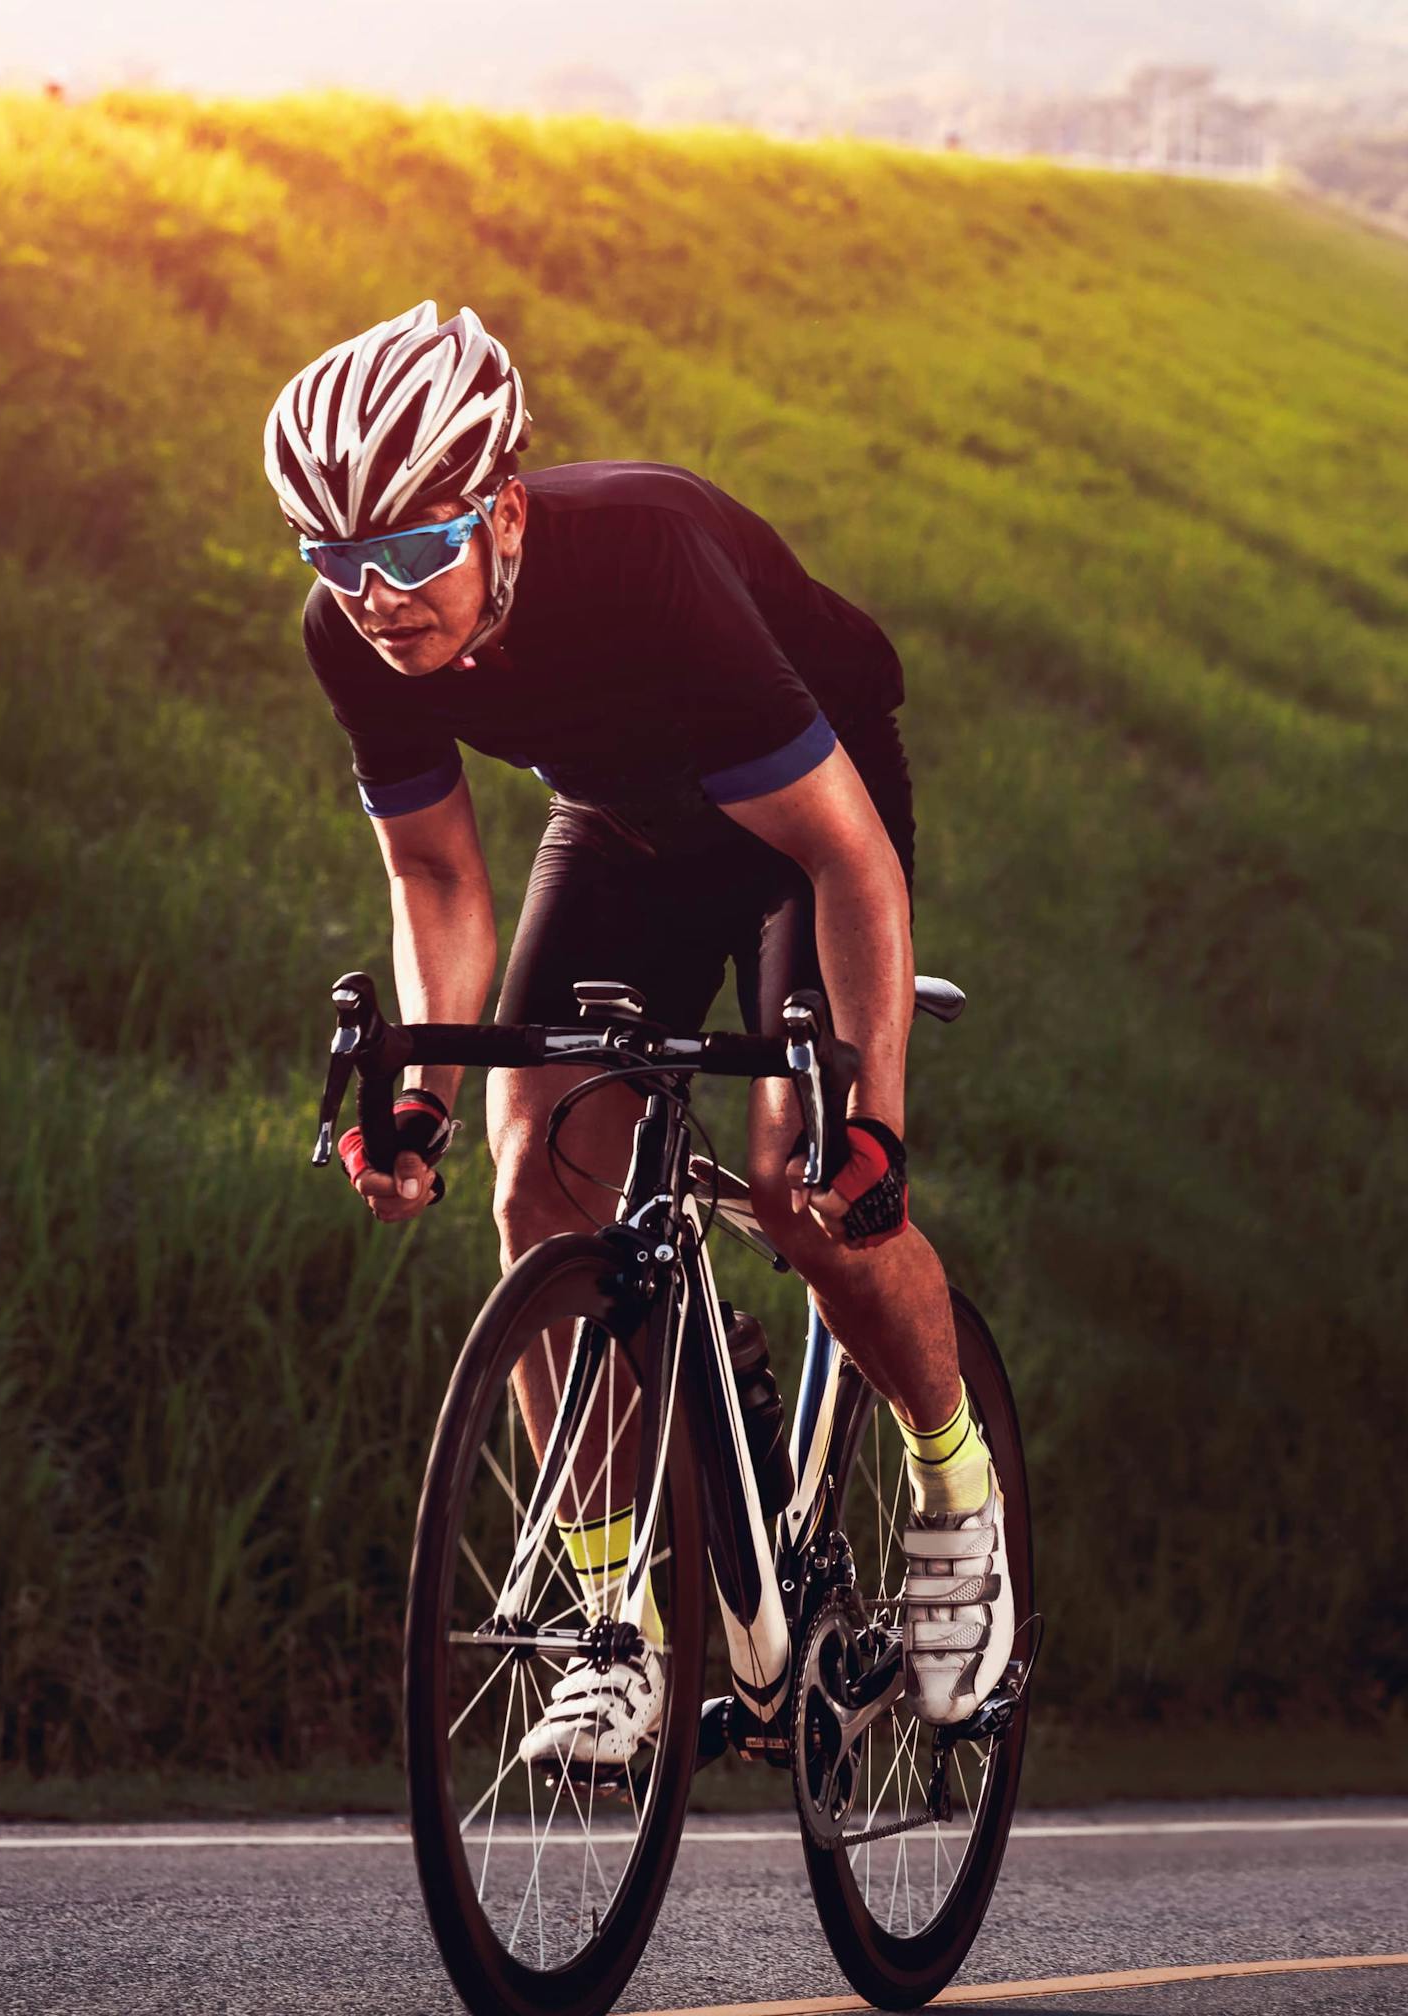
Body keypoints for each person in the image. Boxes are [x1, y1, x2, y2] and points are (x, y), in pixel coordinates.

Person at [268, 302, 1010, 1770]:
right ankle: (614, 1631)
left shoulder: (651, 567)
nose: (378, 599)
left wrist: (879, 1127)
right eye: (338, 561)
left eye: (414, 553)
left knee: (812, 1189)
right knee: (531, 1162)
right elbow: (434, 877)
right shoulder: (353, 636)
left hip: (805, 815)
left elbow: (848, 867)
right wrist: (415, 1093)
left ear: (503, 510)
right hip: (623, 821)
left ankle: (956, 1493)